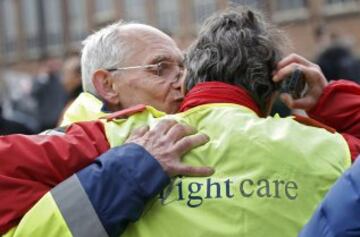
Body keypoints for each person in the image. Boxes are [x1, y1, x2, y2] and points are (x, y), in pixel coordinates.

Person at [5, 7, 360, 237]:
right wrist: (127, 168)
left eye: (183, 66)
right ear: (107, 85)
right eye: (161, 69)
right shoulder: (108, 141)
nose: (181, 80)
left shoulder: (106, 138)